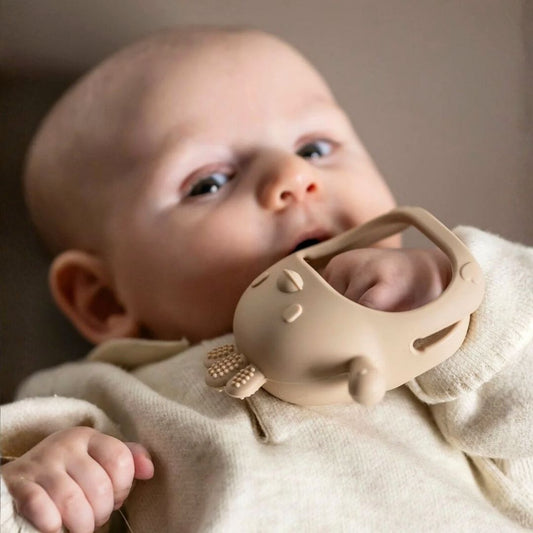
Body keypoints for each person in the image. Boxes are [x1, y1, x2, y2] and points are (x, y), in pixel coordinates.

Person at [1, 27, 531, 533]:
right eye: (210, 182)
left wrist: (462, 298)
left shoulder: (434, 332)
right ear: (103, 300)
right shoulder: (94, 405)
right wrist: (35, 493)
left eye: (314, 149)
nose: (293, 176)